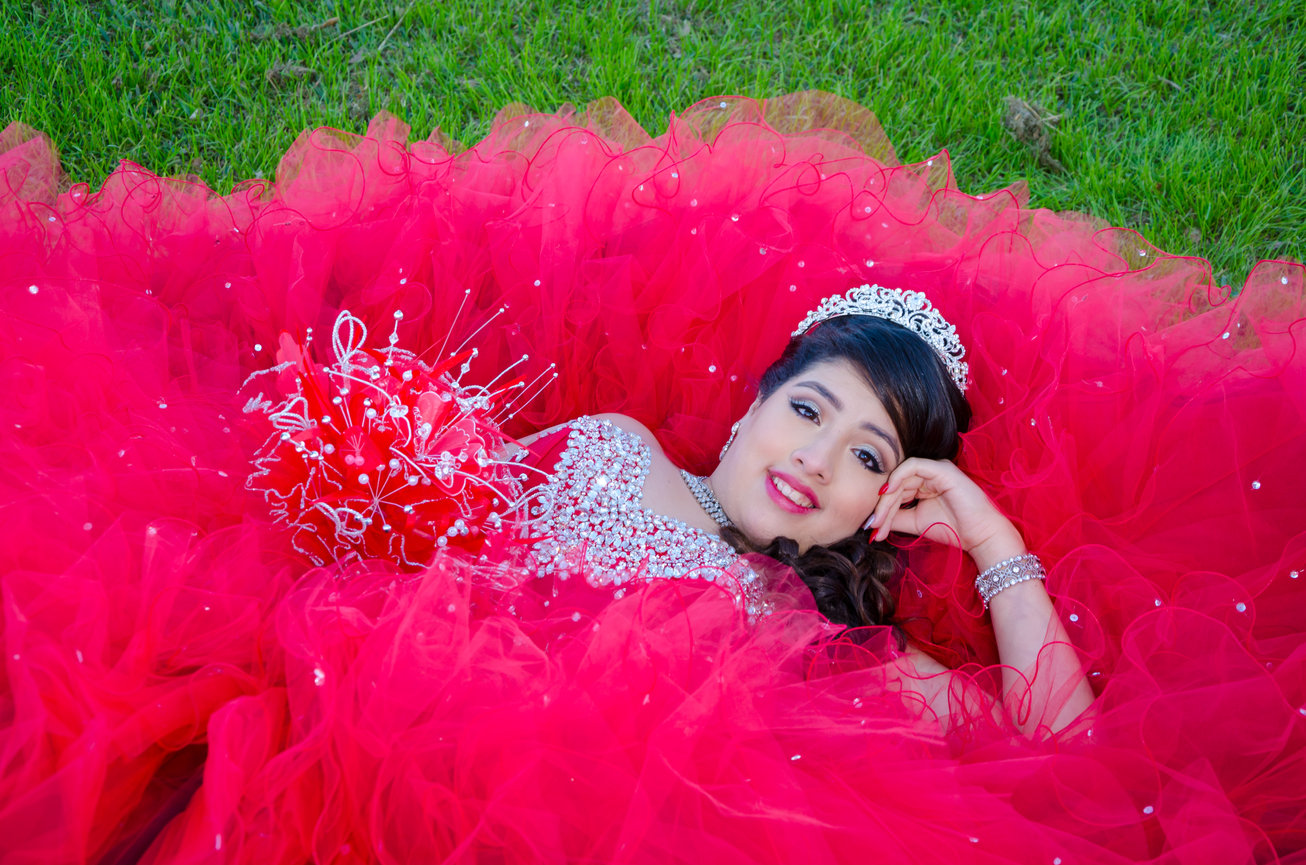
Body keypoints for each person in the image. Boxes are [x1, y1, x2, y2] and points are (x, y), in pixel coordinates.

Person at [1, 92, 1304, 864]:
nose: (814, 459)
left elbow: (1073, 759)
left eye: (866, 455)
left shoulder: (839, 649)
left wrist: (991, 533)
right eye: (807, 411)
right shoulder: (614, 446)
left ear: (884, 504)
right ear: (751, 405)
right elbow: (433, 528)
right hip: (387, 731)